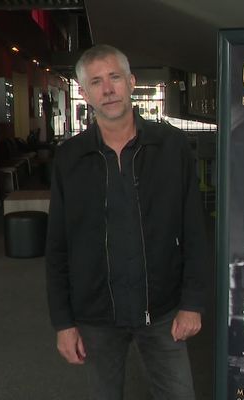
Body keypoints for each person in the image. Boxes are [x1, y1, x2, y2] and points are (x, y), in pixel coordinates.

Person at [45, 44, 207, 400]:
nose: (108, 89)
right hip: (97, 315)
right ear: (85, 94)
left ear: (131, 82)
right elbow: (57, 246)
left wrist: (192, 302)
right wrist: (64, 323)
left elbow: (194, 229)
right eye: (96, 82)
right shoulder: (69, 159)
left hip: (163, 310)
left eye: (115, 78)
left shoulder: (171, 146)